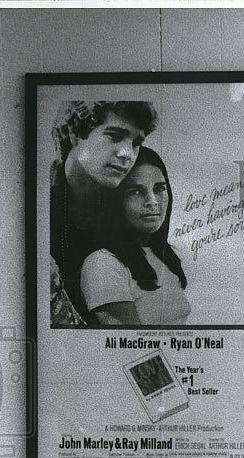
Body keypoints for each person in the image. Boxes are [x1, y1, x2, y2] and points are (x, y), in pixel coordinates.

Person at [50, 100, 158, 324]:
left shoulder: (125, 207)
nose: (127, 154)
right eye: (114, 136)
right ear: (74, 133)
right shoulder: (40, 201)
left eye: (136, 143)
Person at [79, 146, 190, 326]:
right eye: (136, 191)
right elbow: (130, 347)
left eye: (159, 188)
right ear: (113, 201)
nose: (153, 201)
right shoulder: (102, 263)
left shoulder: (162, 254)